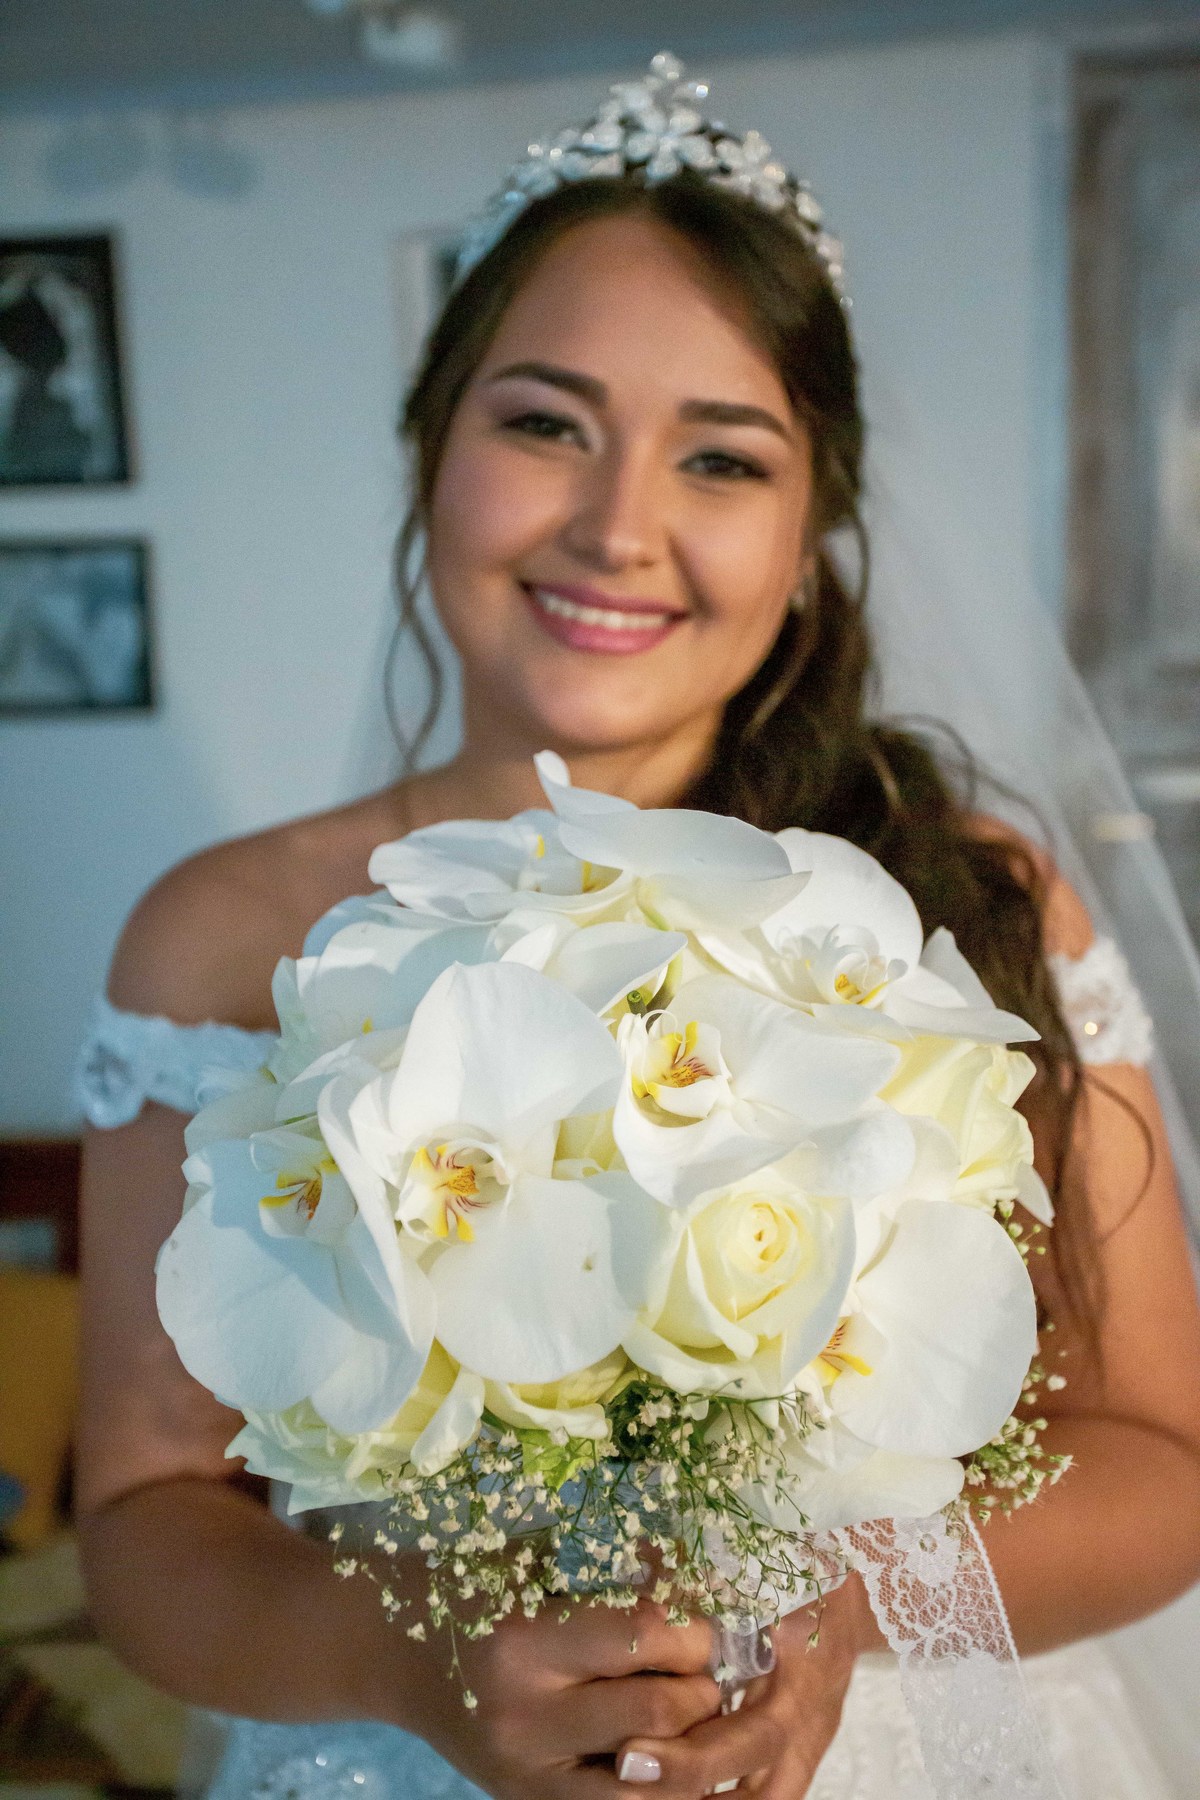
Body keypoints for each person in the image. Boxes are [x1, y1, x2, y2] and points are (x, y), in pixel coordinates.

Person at [75, 55, 1200, 1800]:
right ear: (429, 447)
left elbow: (1163, 1460)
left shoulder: (962, 901)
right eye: (544, 424)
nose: (616, 528)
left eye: (723, 457)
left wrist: (840, 1608)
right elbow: (150, 1510)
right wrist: (416, 1662)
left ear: (811, 531)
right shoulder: (225, 938)